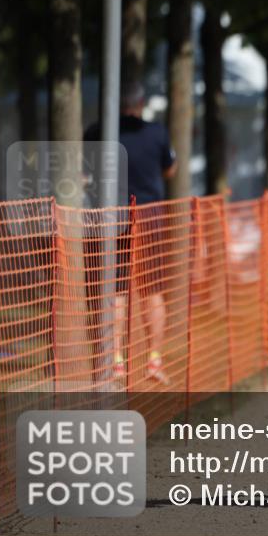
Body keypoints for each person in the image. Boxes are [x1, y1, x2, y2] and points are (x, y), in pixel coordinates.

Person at [84, 84, 177, 385]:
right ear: (140, 103)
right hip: (149, 217)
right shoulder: (157, 133)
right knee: (152, 291)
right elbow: (170, 170)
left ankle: (117, 363)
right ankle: (153, 360)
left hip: (112, 217)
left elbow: (84, 175)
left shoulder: (97, 131)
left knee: (116, 293)